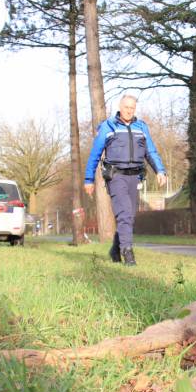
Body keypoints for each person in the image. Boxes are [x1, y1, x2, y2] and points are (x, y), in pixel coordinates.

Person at [84, 95, 167, 266]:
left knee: (129, 216)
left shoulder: (141, 127)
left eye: (132, 108)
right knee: (124, 214)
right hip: (116, 176)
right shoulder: (108, 127)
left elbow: (150, 151)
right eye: (126, 107)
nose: (129, 111)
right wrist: (89, 179)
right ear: (120, 107)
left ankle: (115, 249)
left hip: (135, 177)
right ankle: (127, 253)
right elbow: (95, 154)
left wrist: (160, 170)